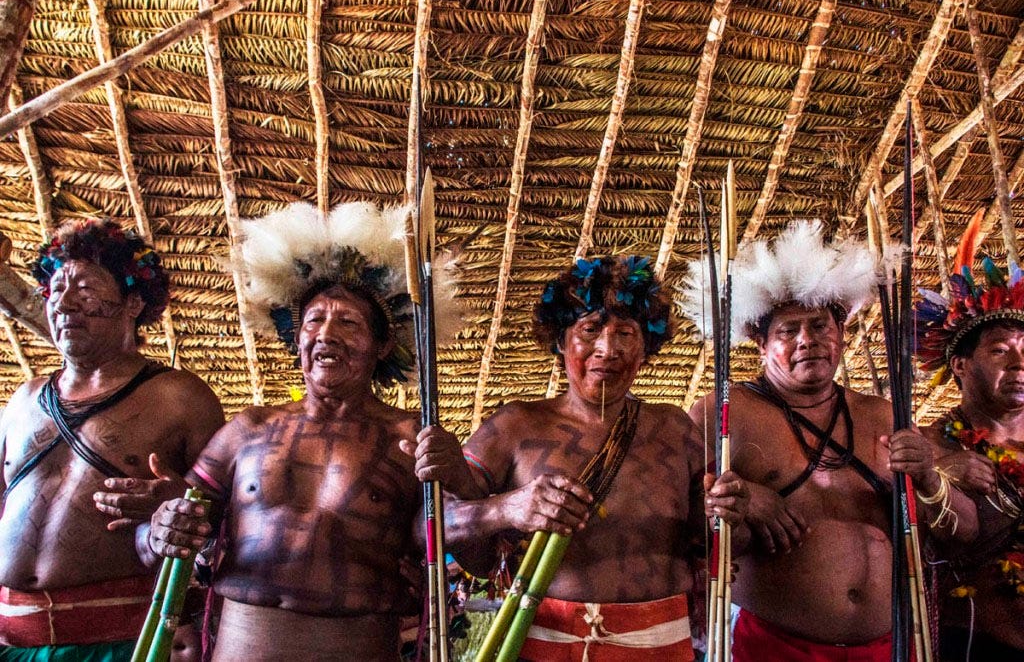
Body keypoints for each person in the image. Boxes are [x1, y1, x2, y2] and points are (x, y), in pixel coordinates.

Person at [147, 201, 462, 661]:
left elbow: (465, 545)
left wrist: (474, 490)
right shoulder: (248, 429)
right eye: (314, 320)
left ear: (383, 344)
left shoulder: (411, 437)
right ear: (296, 339)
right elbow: (173, 531)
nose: (326, 334)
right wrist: (160, 525)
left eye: (349, 322)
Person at [425, 255, 749, 662]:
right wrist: (508, 507)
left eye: (626, 333)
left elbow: (719, 540)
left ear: (646, 346)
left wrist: (731, 511)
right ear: (561, 341)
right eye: (591, 329)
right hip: (542, 641)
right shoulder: (514, 426)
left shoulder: (676, 430)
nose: (608, 349)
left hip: (660, 644)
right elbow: (431, 526)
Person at [680, 220, 977, 662]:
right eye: (788, 330)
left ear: (841, 333)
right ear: (760, 342)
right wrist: (742, 501)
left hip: (890, 645)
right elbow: (689, 533)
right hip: (774, 646)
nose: (807, 340)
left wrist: (930, 478)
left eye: (820, 325)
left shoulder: (882, 414)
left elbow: (964, 531)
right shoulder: (724, 414)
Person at [0, 219, 224, 659]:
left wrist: (184, 503)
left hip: (119, 643)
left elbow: (225, 521)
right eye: (56, 289)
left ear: (134, 301)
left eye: (84, 287)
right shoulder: (24, 399)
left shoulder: (180, 397)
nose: (63, 302)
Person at [914, 212, 1024, 660]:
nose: (1018, 364)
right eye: (1000, 350)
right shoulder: (928, 447)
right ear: (960, 365)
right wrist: (934, 475)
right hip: (974, 645)